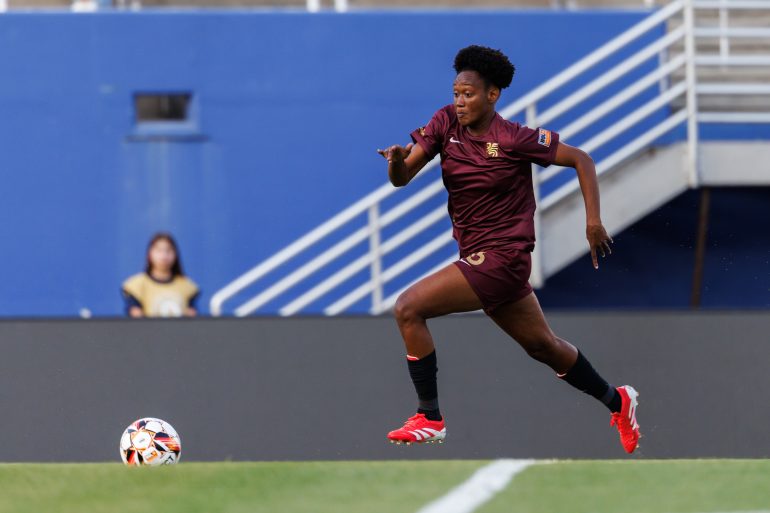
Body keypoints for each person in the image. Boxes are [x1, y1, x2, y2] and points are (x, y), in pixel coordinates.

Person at [377, 45, 640, 453]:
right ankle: (618, 401)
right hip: (479, 258)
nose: (459, 101)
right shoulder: (445, 123)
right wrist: (396, 160)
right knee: (544, 347)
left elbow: (582, 159)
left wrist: (593, 221)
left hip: (503, 259)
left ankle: (429, 416)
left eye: (468, 94)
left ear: (493, 95)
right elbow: (402, 177)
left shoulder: (514, 138)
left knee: (408, 308)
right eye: (456, 93)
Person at [122, 233, 200, 318]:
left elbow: (191, 317)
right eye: (159, 250)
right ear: (149, 254)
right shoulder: (136, 285)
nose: (164, 256)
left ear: (176, 254)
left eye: (168, 250)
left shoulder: (187, 286)